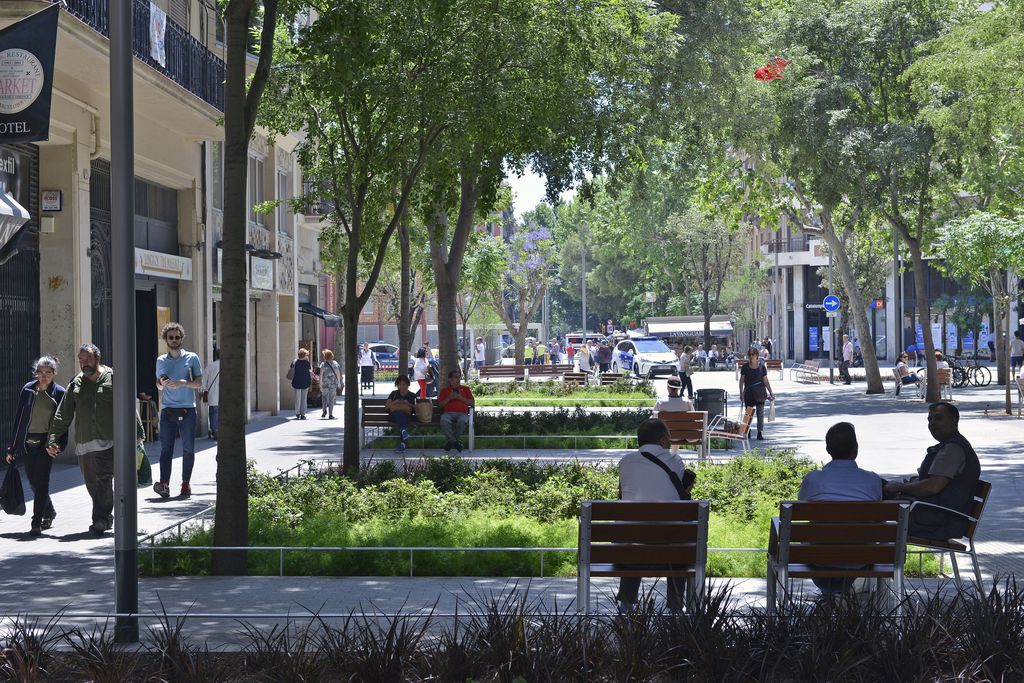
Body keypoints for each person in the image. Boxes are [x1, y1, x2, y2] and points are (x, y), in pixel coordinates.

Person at [47, 344, 144, 535]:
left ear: (97, 358)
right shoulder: (76, 383)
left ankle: (99, 520)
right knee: (92, 484)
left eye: (88, 359)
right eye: (81, 360)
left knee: (103, 480)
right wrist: (52, 438)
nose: (84, 363)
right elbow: (63, 413)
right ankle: (106, 517)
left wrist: (137, 431)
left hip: (109, 441)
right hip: (85, 443)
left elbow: (128, 405)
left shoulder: (112, 377)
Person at [616, 418, 697, 613]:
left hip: (629, 555)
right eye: (669, 438)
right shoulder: (675, 460)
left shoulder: (625, 462)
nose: (670, 442)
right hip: (671, 555)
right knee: (679, 538)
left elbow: (620, 494)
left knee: (634, 534)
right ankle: (676, 607)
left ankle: (626, 605)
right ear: (662, 440)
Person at [797, 422, 884, 594]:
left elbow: (803, 503)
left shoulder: (813, 479)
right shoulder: (872, 480)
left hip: (819, 556)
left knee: (815, 536)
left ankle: (831, 596)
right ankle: (839, 594)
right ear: (856, 449)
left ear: (828, 450)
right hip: (860, 557)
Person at [884, 402, 980, 540]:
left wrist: (900, 487)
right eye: (930, 420)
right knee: (876, 502)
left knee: (873, 512)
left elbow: (932, 487)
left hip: (937, 522)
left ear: (954, 421)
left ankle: (859, 557)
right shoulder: (951, 445)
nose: (932, 423)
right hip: (935, 516)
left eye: (938, 418)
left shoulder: (953, 449)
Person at [6, 356, 66, 536]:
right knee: (33, 481)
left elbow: (63, 422)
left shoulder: (59, 393)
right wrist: (12, 447)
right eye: (40, 372)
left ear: (54, 374)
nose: (44, 376)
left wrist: (59, 445)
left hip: (46, 444)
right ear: (36, 373)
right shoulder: (28, 390)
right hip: (27, 442)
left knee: (42, 483)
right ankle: (50, 511)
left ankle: (36, 522)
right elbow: (19, 419)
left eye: (48, 372)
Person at [154, 322, 203, 499]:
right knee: (166, 449)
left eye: (177, 337)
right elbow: (158, 385)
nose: (174, 340)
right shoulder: (161, 360)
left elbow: (199, 383)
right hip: (167, 410)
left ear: (181, 338)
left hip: (188, 410)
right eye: (170, 337)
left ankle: (185, 484)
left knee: (188, 449)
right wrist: (162, 383)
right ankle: (164, 484)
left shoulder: (192, 358)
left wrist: (184, 383)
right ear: (165, 339)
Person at [738, 347, 774, 440]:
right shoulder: (745, 367)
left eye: (752, 354)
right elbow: (741, 380)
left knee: (760, 414)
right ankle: (747, 432)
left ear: (757, 355)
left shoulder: (762, 367)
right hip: (749, 394)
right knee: (748, 414)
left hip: (760, 393)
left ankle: (759, 433)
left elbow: (766, 381)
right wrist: (741, 393)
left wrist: (771, 392)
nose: (751, 356)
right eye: (749, 354)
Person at [438, 370, 474, 454]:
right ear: (450, 379)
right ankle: (455, 442)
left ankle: (451, 442)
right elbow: (440, 406)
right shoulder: (444, 391)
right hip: (448, 413)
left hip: (463, 414)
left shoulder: (465, 389)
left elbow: (472, 403)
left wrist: (460, 398)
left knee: (463, 420)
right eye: (456, 377)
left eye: (459, 377)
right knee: (443, 420)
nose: (458, 379)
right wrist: (449, 398)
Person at [385, 375, 417, 453]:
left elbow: (417, 409)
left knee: (403, 417)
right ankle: (403, 437)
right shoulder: (394, 394)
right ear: (397, 385)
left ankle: (402, 442)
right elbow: (386, 407)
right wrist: (395, 402)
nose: (402, 386)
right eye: (400, 384)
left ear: (408, 385)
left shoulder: (412, 395)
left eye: (404, 384)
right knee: (400, 415)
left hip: (407, 416)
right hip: (393, 416)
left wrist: (408, 404)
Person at [317, 349, 342, 419]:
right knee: (331, 399)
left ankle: (324, 410)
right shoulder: (335, 363)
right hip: (333, 384)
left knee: (324, 397)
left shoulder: (323, 364)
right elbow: (338, 374)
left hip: (325, 383)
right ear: (332, 356)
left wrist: (320, 384)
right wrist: (339, 382)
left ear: (325, 356)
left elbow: (321, 375)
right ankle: (330, 414)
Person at [201, 351, 220, 439]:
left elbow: (203, 382)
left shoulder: (210, 366)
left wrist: (203, 391)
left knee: (213, 414)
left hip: (213, 396)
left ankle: (215, 431)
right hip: (225, 397)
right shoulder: (228, 366)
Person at [289, 348, 313, 420]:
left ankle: (297, 413)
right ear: (305, 355)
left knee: (297, 398)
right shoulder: (307, 363)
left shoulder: (295, 362)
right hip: (305, 382)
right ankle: (303, 414)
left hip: (296, 382)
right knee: (304, 399)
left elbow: (291, 369)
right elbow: (311, 371)